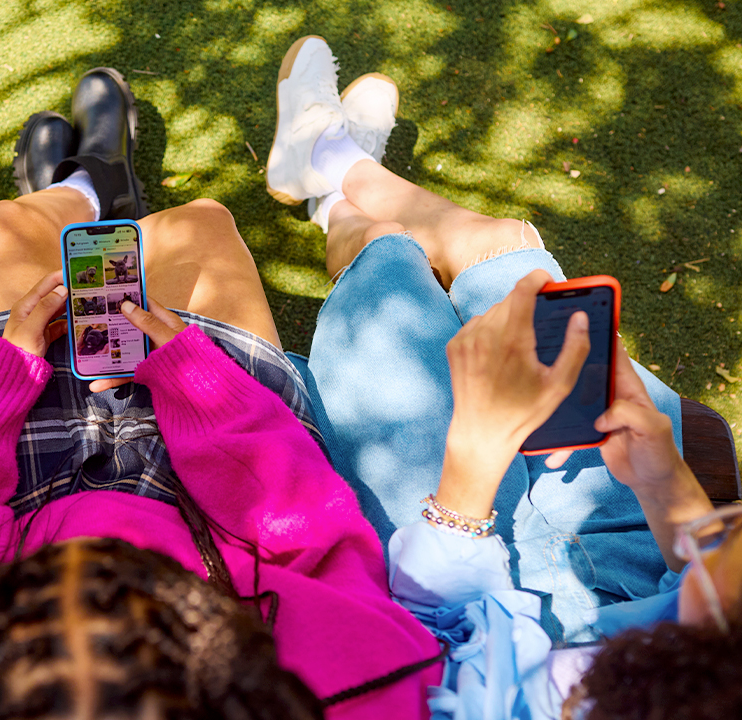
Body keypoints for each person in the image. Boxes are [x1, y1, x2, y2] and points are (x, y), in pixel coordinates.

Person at [0, 68, 444, 719]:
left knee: (6, 230)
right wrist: (205, 387)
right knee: (201, 224)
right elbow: (317, 538)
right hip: (224, 526)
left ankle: (78, 188)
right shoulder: (360, 694)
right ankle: (97, 186)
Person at [265, 35, 742, 717]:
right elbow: (701, 580)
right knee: (506, 252)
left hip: (467, 606)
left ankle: (342, 204)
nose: (731, 522)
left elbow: (417, 649)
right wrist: (666, 482)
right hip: (636, 576)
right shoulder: (710, 624)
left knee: (388, 265)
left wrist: (473, 458)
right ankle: (332, 163)